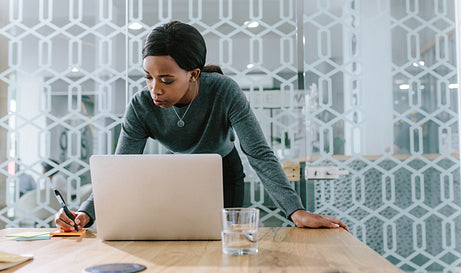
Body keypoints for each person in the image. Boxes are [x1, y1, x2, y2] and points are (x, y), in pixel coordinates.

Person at [55, 21, 349, 232]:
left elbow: (258, 153)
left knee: (224, 239)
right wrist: (84, 213)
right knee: (180, 240)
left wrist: (295, 210)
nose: (154, 89)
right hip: (177, 172)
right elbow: (119, 167)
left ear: (193, 74)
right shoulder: (141, 105)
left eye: (166, 80)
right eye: (148, 77)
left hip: (224, 171)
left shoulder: (224, 91)